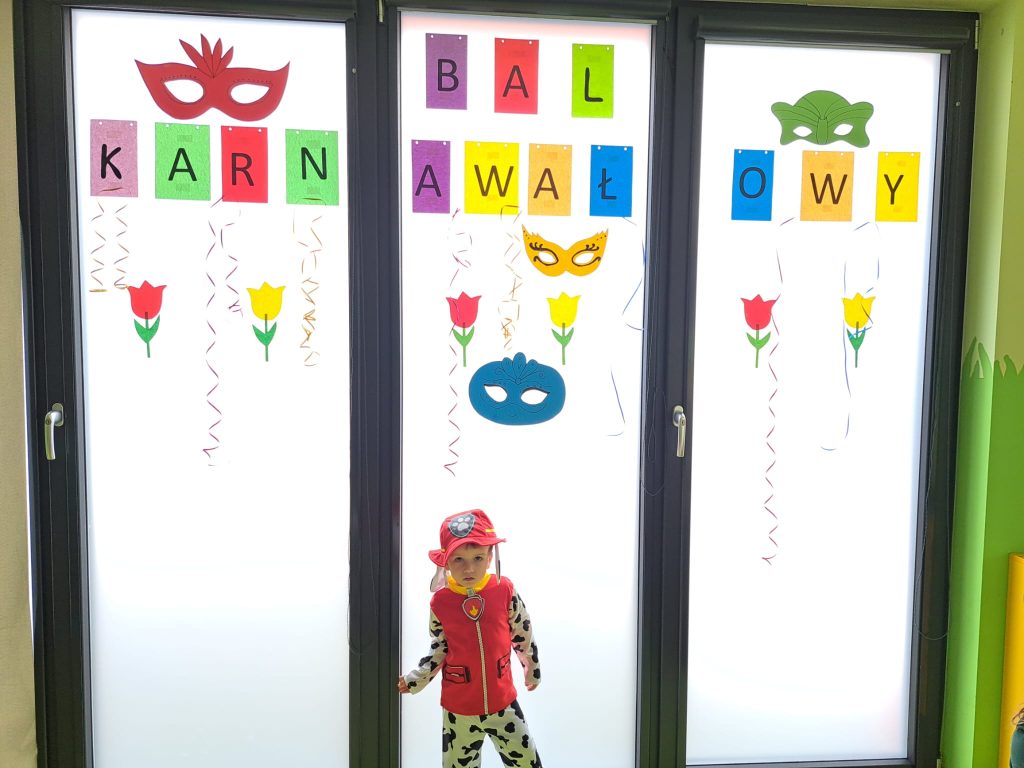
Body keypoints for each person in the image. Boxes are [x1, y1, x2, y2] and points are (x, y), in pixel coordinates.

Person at [398, 510, 543, 768]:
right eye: (459, 559)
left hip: (503, 704)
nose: (469, 568)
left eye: (477, 558)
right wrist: (415, 679)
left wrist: (532, 668)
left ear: (489, 558)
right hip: (459, 710)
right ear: (446, 563)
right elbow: (438, 648)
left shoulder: (504, 590)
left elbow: (522, 631)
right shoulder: (440, 602)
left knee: (527, 762)